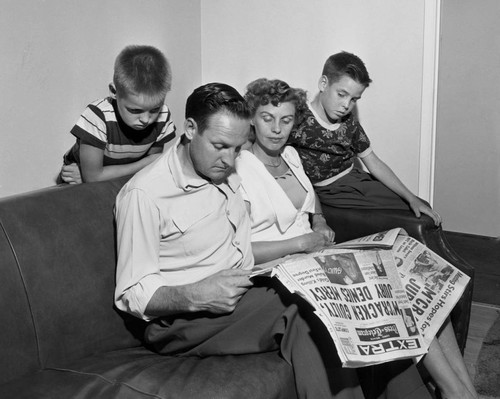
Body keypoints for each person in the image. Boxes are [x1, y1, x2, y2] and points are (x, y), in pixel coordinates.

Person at [114, 82, 363, 398]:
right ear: (190, 128)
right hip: (181, 318)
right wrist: (195, 294)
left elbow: (245, 243)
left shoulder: (226, 169)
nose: (230, 160)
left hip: (245, 287)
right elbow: (132, 293)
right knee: (308, 311)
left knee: (346, 294)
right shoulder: (146, 194)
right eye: (219, 146)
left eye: (237, 148)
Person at [236, 77, 477, 399]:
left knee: (412, 277)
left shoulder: (292, 156)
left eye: (286, 119)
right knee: (390, 290)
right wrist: (299, 244)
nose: (277, 129)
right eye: (267, 118)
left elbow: (310, 200)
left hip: (312, 256)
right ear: (252, 117)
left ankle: (464, 390)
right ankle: (452, 391)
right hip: (277, 270)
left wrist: (319, 221)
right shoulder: (238, 167)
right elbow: (238, 251)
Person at [287, 51, 442, 226]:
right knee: (405, 218)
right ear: (324, 84)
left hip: (355, 180)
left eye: (354, 99)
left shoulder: (349, 122)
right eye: (341, 94)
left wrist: (410, 197)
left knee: (421, 207)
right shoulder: (298, 118)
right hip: (330, 191)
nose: (346, 105)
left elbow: (373, 162)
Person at [59, 45, 176, 184]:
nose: (146, 120)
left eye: (154, 109)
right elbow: (93, 177)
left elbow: (151, 169)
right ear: (114, 92)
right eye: (135, 110)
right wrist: (145, 164)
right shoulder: (97, 116)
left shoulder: (163, 115)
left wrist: (149, 164)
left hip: (120, 178)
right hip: (76, 180)